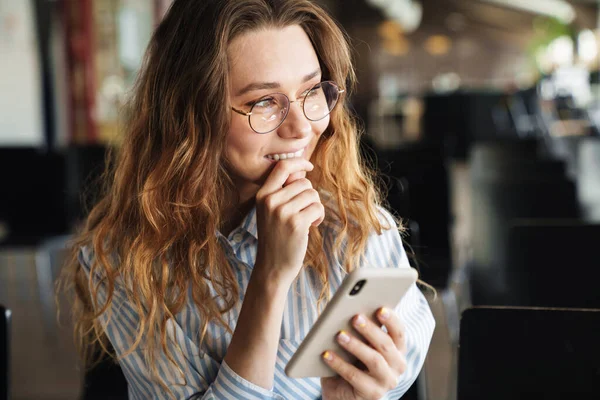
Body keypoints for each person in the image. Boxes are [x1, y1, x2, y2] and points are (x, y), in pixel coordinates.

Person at [61, 0, 435, 399]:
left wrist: (375, 383)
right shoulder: (126, 259)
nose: (301, 128)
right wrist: (270, 277)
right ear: (191, 114)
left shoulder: (353, 222)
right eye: (264, 102)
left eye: (311, 91)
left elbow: (407, 350)